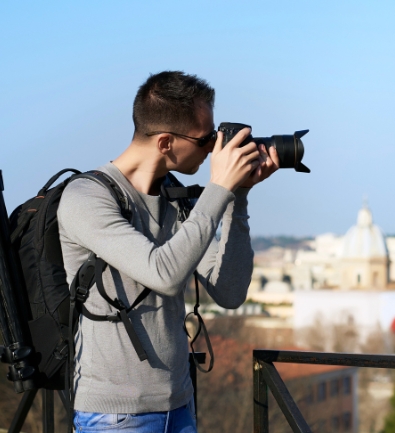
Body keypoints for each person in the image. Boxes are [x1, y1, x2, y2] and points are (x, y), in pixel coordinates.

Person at [57, 71, 278, 432]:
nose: (213, 149)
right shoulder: (87, 197)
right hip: (116, 416)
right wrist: (219, 188)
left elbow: (231, 292)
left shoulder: (174, 199)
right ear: (165, 143)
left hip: (180, 406)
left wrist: (237, 197)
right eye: (206, 139)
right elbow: (164, 274)